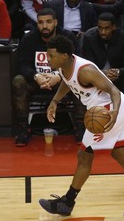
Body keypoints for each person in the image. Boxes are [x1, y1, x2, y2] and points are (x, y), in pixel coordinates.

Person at [38, 34, 124, 218]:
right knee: (120, 153)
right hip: (106, 109)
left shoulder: (85, 70)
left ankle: (67, 202)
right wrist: (55, 101)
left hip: (109, 109)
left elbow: (114, 90)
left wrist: (114, 112)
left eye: (51, 56)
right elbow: (67, 82)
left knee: (84, 156)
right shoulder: (65, 67)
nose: (48, 59)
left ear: (64, 55)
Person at [12, 8, 85, 146]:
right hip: (38, 82)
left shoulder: (67, 38)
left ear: (56, 22)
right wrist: (36, 76)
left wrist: (59, 75)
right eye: (40, 22)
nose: (44, 26)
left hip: (62, 81)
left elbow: (78, 62)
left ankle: (80, 127)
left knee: (79, 79)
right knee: (18, 81)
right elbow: (21, 65)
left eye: (48, 22)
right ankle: (23, 129)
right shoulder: (29, 39)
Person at [82, 12, 124, 107]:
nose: (103, 32)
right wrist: (103, 73)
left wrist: (119, 71)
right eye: (100, 28)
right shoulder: (89, 38)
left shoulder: (123, 37)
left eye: (106, 28)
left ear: (113, 27)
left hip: (117, 76)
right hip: (96, 76)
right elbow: (87, 64)